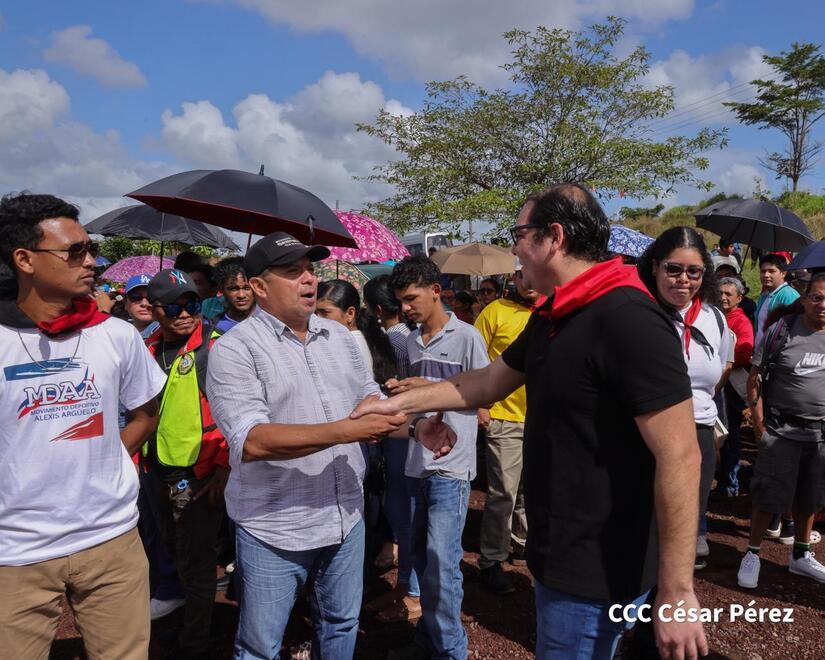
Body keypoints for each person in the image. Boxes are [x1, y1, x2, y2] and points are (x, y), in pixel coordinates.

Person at [354, 184, 708, 659]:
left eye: (519, 234)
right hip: (558, 549)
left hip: (597, 566)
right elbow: (486, 382)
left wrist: (678, 592)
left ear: (553, 237)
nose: (515, 249)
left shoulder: (628, 318)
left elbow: (681, 455)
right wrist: (398, 406)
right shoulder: (556, 314)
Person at [204, 232, 450, 659]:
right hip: (275, 527)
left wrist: (415, 428)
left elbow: (368, 405)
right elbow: (253, 440)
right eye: (292, 271)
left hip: (345, 518)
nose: (308, 279)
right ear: (259, 286)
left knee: (341, 624)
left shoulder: (339, 337)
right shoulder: (234, 349)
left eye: (309, 269)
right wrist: (346, 431)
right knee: (260, 646)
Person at [0, 192, 166, 659]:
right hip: (17, 552)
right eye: (75, 251)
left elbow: (146, 413)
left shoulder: (115, 334)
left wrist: (107, 460)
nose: (91, 261)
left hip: (113, 540)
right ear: (24, 260)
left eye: (90, 248)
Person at [386, 255, 490, 660]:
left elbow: (483, 397)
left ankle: (450, 651)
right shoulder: (412, 341)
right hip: (417, 460)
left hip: (452, 464)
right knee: (422, 560)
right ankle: (429, 641)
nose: (406, 307)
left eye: (411, 298)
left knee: (442, 564)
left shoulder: (467, 337)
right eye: (400, 300)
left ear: (435, 291)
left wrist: (428, 386)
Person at [142, 269, 229, 659]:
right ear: (154, 310)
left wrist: (224, 468)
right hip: (156, 471)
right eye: (173, 308)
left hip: (199, 474)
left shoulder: (217, 348)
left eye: (192, 305)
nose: (185, 314)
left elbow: (237, 413)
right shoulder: (147, 348)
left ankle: (194, 643)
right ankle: (185, 621)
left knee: (197, 560)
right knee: (170, 547)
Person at [638, 227, 733, 571]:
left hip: (698, 434)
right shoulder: (638, 313)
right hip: (646, 434)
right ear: (655, 267)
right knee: (642, 524)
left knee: (684, 525)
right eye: (673, 269)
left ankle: (668, 597)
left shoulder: (714, 318)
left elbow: (717, 373)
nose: (683, 280)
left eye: (694, 271)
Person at [737, 272, 825, 588]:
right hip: (781, 429)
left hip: (819, 434)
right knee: (767, 495)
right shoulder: (782, 330)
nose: (822, 304)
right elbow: (754, 379)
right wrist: (760, 427)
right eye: (816, 297)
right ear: (804, 299)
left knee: (809, 496)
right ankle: (752, 553)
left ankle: (800, 555)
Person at [474, 265, 539, 594]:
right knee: (503, 494)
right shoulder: (494, 312)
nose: (529, 282)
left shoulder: (550, 311)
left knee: (529, 490)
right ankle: (492, 560)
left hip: (540, 418)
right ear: (514, 278)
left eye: (534, 274)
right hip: (503, 417)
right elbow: (475, 359)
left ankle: (521, 544)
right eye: (523, 275)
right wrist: (481, 405)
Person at [362, 275, 420, 622]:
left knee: (405, 509)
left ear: (376, 309)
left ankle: (412, 590)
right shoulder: (403, 336)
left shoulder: (397, 340)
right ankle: (407, 586)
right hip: (401, 430)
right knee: (401, 508)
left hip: (403, 431)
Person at [716, 277, 755, 499]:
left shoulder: (740, 322)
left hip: (730, 387)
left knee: (730, 434)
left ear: (739, 298)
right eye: (720, 292)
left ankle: (730, 484)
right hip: (718, 383)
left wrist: (721, 359)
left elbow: (744, 353)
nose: (723, 297)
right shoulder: (716, 316)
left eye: (728, 294)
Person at [754, 253, 799, 349]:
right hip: (759, 352)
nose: (766, 275)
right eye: (763, 271)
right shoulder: (764, 295)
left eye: (771, 271)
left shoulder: (789, 295)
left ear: (783, 273)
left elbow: (794, 329)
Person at [211, 257, 255, 333]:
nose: (241, 295)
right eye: (234, 289)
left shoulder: (270, 323)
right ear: (221, 289)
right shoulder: (211, 328)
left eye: (247, 288)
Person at [124, 273, 159, 338]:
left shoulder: (166, 334)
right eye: (135, 297)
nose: (144, 303)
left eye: (151, 297)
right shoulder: (118, 330)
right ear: (125, 303)